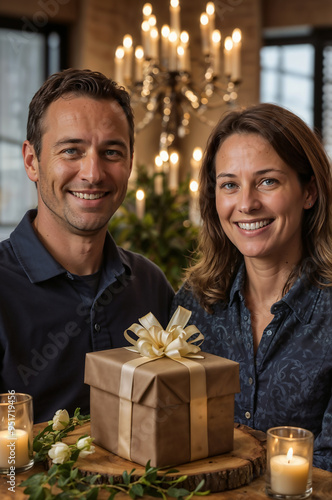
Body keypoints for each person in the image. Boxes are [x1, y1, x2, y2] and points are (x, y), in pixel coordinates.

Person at [0, 68, 174, 423]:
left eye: (111, 152)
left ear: (128, 163)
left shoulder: (150, 284)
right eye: (71, 151)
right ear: (32, 161)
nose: (93, 173)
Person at [172, 103, 332, 471]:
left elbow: (328, 465)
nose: (246, 204)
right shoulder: (194, 303)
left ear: (309, 192)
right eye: (230, 184)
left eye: (267, 181)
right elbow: (169, 428)